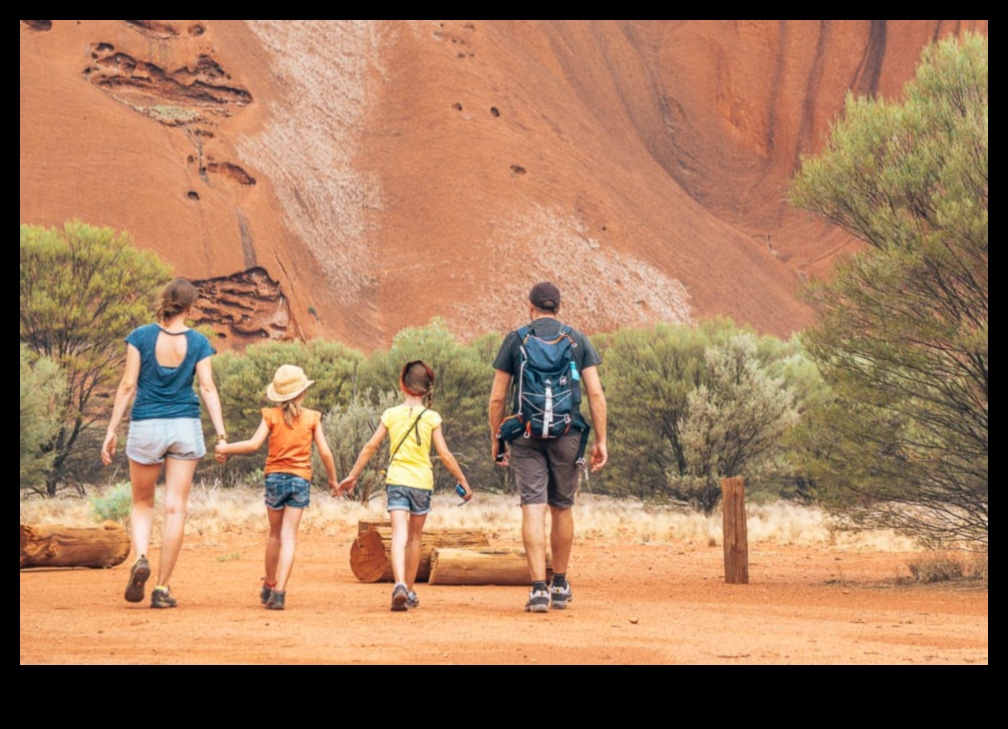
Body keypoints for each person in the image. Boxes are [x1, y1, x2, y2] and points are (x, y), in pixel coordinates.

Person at [101, 278, 227, 609]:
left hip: (147, 425)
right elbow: (208, 388)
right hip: (185, 426)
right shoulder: (199, 342)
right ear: (190, 308)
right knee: (176, 509)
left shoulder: (140, 336)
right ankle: (161, 588)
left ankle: (141, 557)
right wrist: (221, 435)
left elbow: (127, 385)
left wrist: (111, 429)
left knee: (142, 503)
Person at [489, 281, 608, 613]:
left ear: (531, 306)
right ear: (559, 307)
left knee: (532, 507)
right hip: (569, 435)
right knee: (562, 507)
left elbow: (498, 398)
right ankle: (560, 584)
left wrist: (497, 439)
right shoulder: (577, 339)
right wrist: (601, 440)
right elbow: (595, 394)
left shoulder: (516, 340)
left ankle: (538, 589)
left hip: (525, 436)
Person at [335, 360, 473, 611]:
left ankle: (398, 584)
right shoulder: (432, 417)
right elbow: (444, 454)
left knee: (398, 534)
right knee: (414, 538)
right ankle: (409, 591)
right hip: (421, 483)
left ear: (403, 385)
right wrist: (462, 479)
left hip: (397, 480)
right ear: (427, 388)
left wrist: (353, 475)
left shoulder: (391, 414)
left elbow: (370, 446)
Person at [214, 365, 338, 610]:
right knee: (289, 537)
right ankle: (279, 592)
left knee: (274, 534)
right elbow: (325, 453)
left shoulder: (270, 415)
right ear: (303, 392)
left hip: (274, 479)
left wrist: (225, 449)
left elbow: (253, 444)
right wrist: (333, 479)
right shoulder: (312, 418)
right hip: (300, 479)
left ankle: (269, 585)